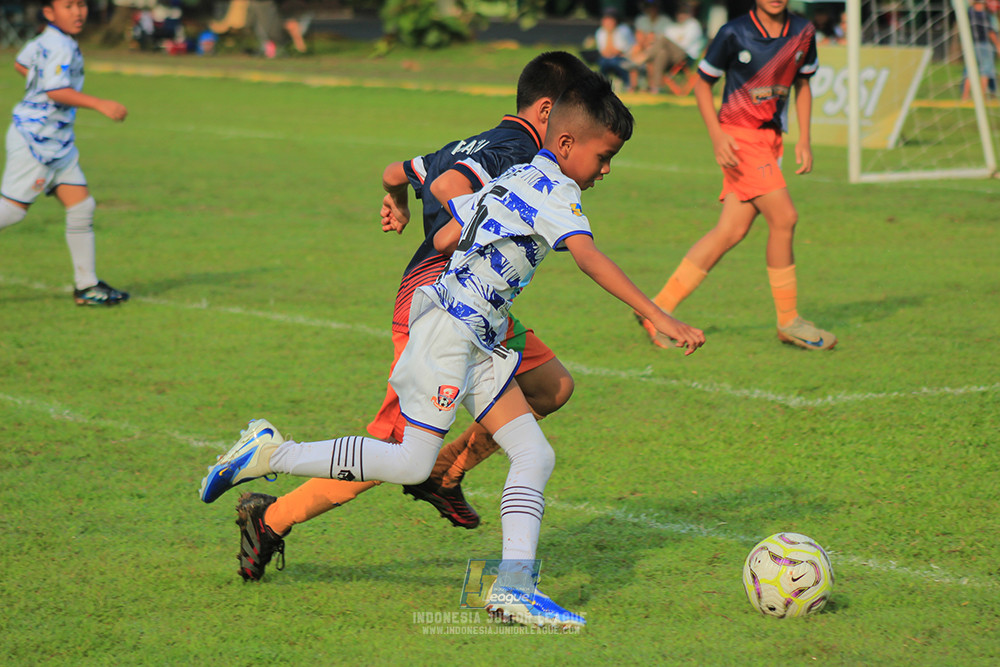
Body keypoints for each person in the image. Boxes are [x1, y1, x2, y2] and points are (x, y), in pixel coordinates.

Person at [199, 71, 705, 628]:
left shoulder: (519, 173)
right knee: (408, 459)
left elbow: (446, 231)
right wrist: (659, 314)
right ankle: (272, 455)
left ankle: (512, 589)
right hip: (450, 334)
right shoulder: (553, 188)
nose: (606, 169)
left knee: (535, 454)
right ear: (564, 140)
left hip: (475, 331)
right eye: (605, 156)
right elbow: (588, 257)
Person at [201, 51, 590, 572]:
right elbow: (451, 186)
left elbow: (395, 171)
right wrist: (463, 222)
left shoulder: (474, 140)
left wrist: (397, 199)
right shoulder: (517, 148)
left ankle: (445, 471)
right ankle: (269, 517)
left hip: (483, 308)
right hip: (438, 302)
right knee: (395, 445)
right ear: (549, 111)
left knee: (551, 386)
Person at [637, 0, 836, 351]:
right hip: (739, 140)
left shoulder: (803, 32)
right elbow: (702, 85)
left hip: (770, 140)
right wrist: (717, 137)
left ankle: (658, 309)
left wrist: (804, 137)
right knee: (785, 217)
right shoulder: (733, 32)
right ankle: (788, 321)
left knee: (730, 231)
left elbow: (804, 83)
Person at [1, 0, 130, 306]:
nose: (78, 12)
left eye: (81, 4)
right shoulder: (58, 44)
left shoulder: (49, 39)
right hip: (37, 141)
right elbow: (55, 90)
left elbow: (22, 63)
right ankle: (86, 285)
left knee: (82, 207)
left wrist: (37, 87)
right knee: (12, 211)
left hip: (58, 142)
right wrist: (100, 103)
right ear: (49, 12)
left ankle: (87, 286)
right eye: (68, 5)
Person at [629, 0, 671, 93]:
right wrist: (648, 40)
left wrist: (649, 39)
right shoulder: (641, 19)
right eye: (648, 6)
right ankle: (633, 85)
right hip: (644, 47)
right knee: (636, 49)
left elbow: (663, 40)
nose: (650, 9)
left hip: (658, 51)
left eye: (652, 6)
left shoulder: (665, 20)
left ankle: (652, 86)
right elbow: (639, 37)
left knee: (652, 54)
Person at [962, 0, 999, 100]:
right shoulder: (984, 15)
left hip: (970, 45)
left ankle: (965, 96)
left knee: (969, 70)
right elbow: (990, 32)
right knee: (985, 71)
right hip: (984, 45)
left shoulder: (968, 13)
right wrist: (997, 45)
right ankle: (980, 97)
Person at [595, 6, 636, 91]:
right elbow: (604, 52)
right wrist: (609, 33)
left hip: (626, 58)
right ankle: (602, 87)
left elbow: (617, 51)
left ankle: (627, 84)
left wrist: (610, 33)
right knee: (604, 62)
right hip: (608, 59)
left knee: (613, 62)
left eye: (610, 19)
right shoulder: (600, 32)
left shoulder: (624, 30)